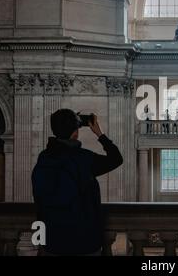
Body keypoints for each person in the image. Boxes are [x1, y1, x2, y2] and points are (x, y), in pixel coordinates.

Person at [32, 109, 123, 256]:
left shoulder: (44, 158)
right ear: (75, 132)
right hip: (83, 241)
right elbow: (116, 159)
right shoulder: (84, 159)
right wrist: (100, 134)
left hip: (53, 241)